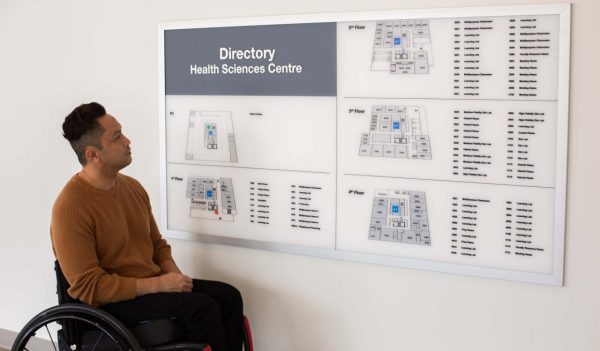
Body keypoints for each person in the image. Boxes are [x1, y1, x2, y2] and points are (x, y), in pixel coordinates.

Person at [50, 102, 243, 351]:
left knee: (228, 296)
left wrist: (174, 276)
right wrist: (160, 285)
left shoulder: (132, 187)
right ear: (93, 154)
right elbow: (90, 287)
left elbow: (156, 244)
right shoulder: (70, 207)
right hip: (111, 303)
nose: (128, 141)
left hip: (150, 286)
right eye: (117, 137)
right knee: (201, 308)